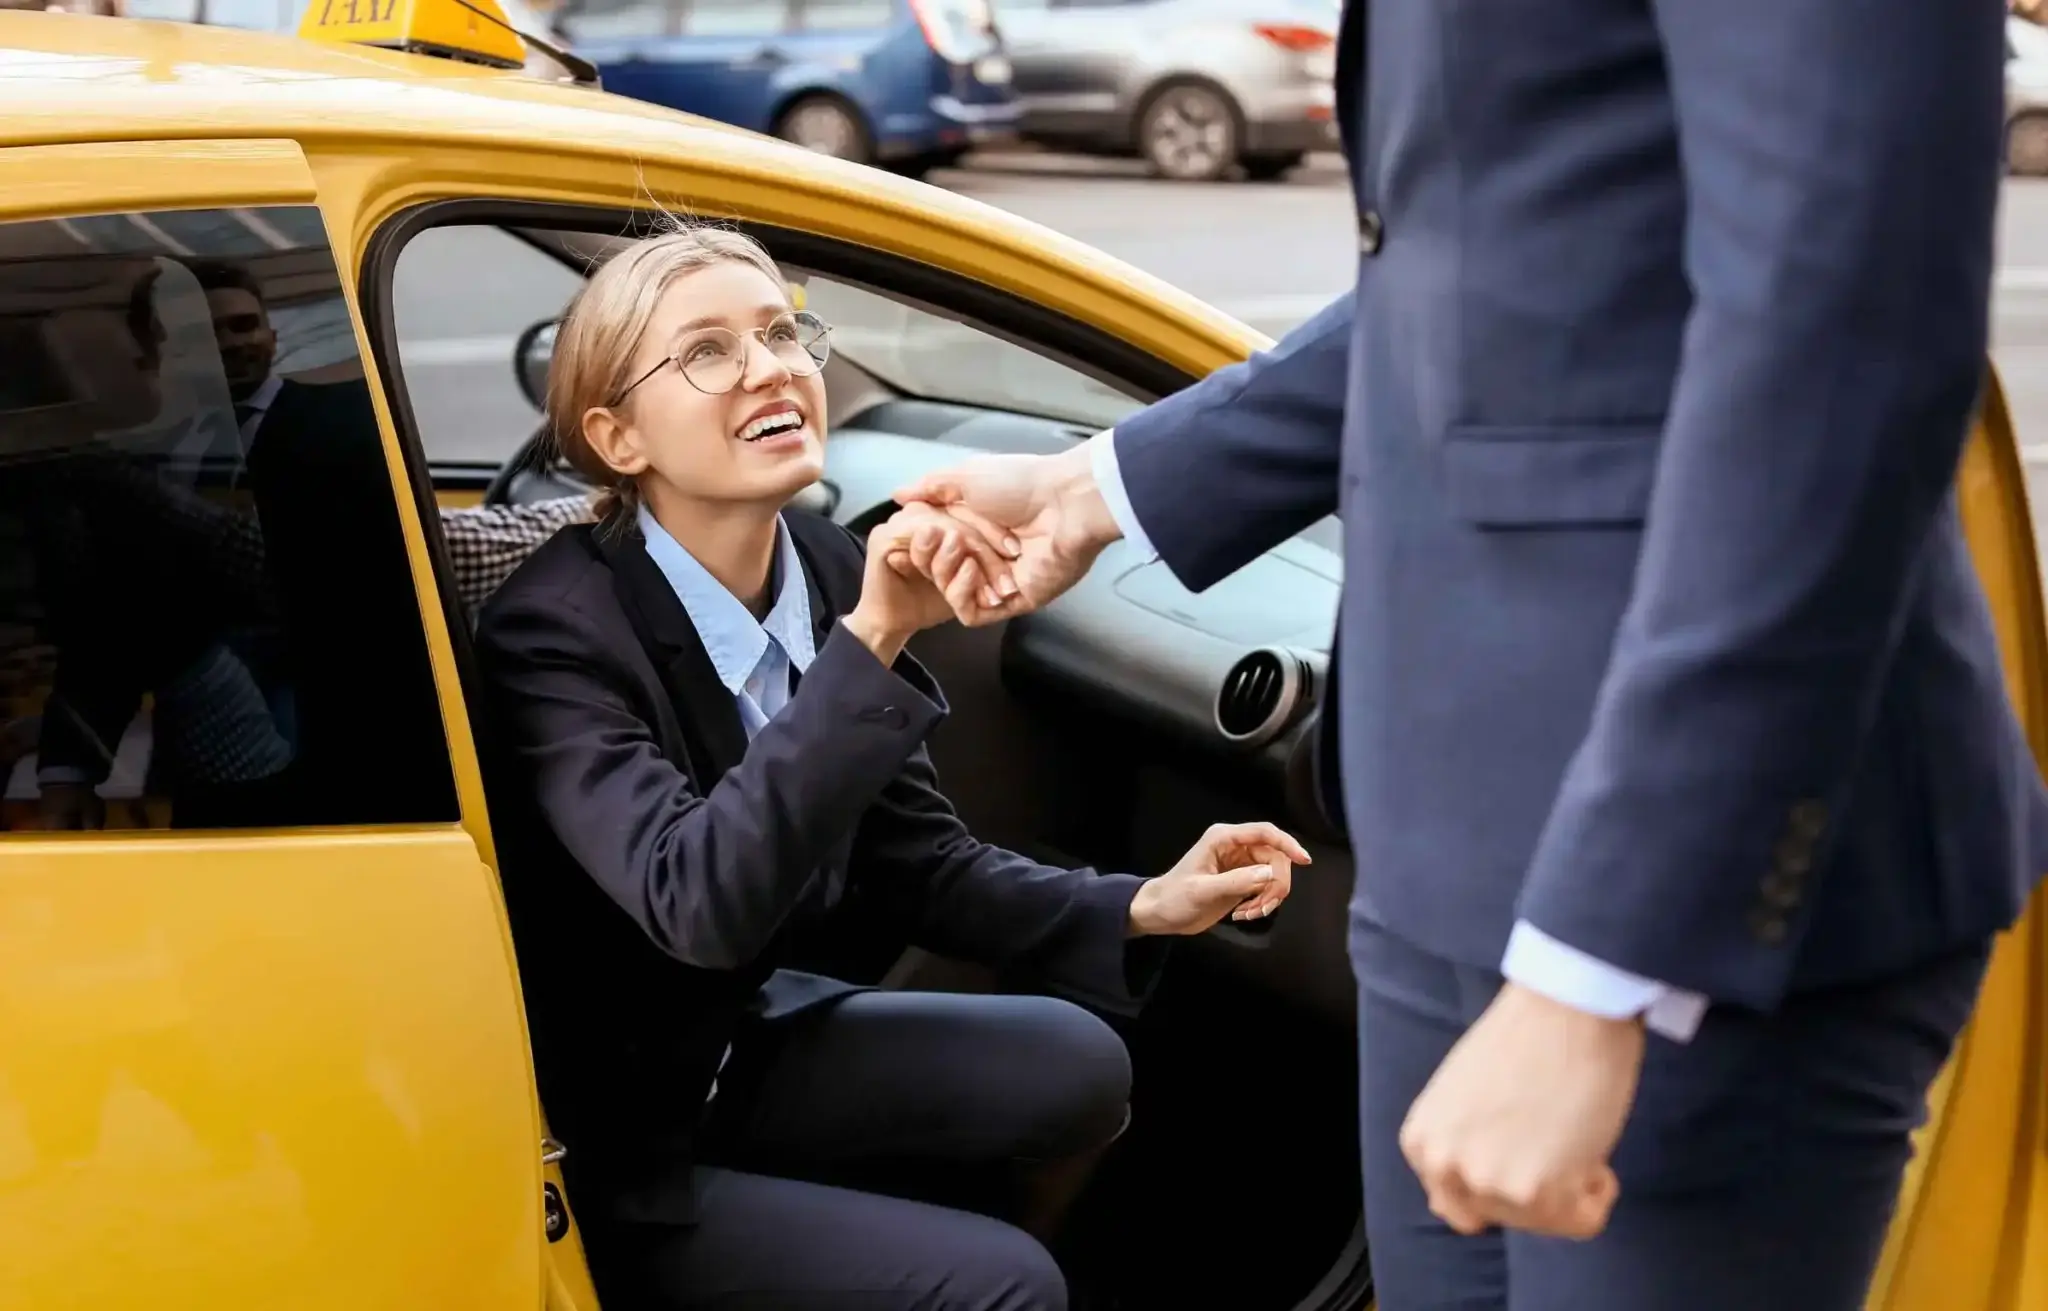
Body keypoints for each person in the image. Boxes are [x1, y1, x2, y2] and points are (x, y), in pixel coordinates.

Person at [890, 3, 2048, 1309]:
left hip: (1692, 886)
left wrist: (1608, 961)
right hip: (1440, 842)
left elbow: (1845, 324)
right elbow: (1471, 265)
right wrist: (1099, 488)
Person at [470, 223, 1307, 1311]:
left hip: (739, 1042)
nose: (770, 367)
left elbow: (918, 863)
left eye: (780, 333)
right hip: (617, 1135)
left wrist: (1147, 903)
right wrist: (870, 643)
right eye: (709, 352)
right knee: (1007, 1287)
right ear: (616, 436)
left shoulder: (819, 562)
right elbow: (696, 904)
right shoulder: (554, 633)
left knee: (1079, 1063)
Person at [34, 258, 590, 829]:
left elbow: (412, 555)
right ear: (156, 351)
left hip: (366, 770)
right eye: (202, 332)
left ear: (272, 335)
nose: (231, 344)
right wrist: (69, 771)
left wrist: (580, 513)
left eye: (244, 326)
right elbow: (120, 620)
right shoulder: (154, 465)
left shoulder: (355, 424)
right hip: (224, 776)